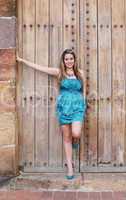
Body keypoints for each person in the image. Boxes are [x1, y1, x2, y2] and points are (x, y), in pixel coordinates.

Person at [17, 49, 87, 180]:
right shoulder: (59, 72)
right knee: (66, 138)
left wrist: (83, 104)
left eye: (71, 58)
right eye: (66, 59)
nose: (69, 61)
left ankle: (76, 140)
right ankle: (70, 167)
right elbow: (41, 68)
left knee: (75, 133)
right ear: (63, 61)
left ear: (74, 60)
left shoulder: (80, 73)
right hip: (64, 107)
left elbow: (84, 91)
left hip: (77, 106)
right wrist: (23, 61)